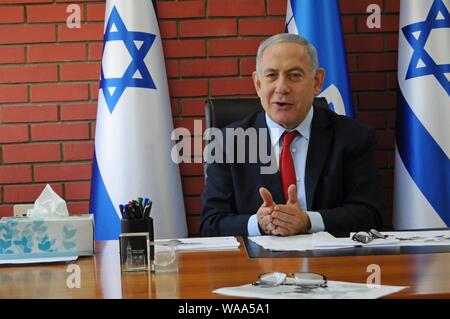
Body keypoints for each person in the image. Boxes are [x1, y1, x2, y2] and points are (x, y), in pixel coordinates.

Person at [200, 33, 383, 237]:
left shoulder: (352, 137)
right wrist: (258, 224)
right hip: (255, 265)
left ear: (317, 81)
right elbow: (210, 223)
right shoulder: (228, 143)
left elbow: (370, 214)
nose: (282, 88)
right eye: (271, 75)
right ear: (258, 84)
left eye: (294, 75)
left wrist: (309, 221)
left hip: (330, 262)